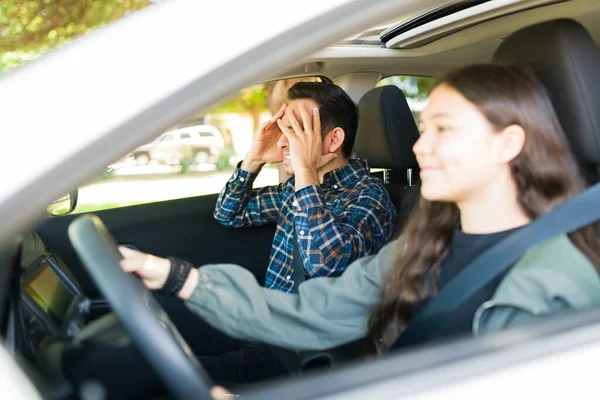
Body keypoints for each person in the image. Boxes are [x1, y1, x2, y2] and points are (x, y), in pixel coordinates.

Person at [119, 64, 600, 377]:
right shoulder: (426, 243)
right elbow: (316, 307)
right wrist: (171, 275)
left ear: (508, 144)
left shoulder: (557, 282)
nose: (418, 145)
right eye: (423, 126)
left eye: (444, 130)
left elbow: (323, 266)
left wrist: (304, 171)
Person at [213, 81, 397, 293]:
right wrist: (254, 159)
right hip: (273, 313)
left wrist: (304, 170)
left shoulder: (370, 198)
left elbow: (326, 264)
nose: (282, 142)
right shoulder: (294, 188)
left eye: (295, 131)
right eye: (283, 130)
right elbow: (228, 213)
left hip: (307, 323)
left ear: (334, 139)